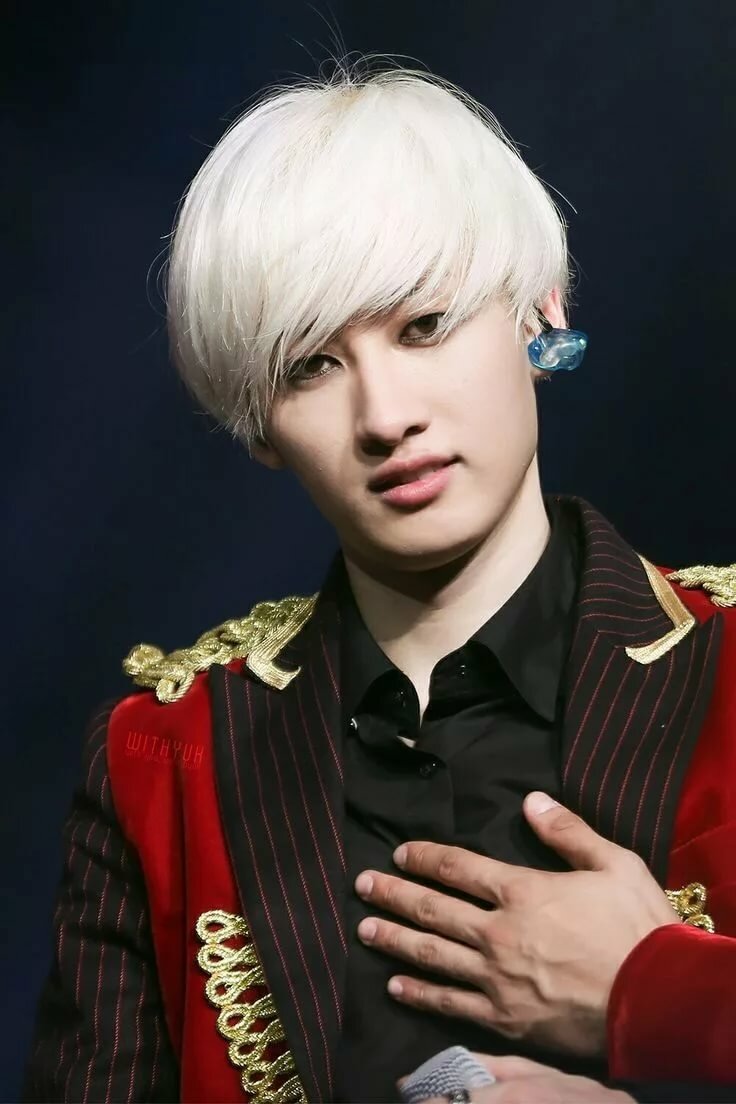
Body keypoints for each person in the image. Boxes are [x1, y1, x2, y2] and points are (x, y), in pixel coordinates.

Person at [22, 60, 736, 1104]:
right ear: (259, 427)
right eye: (310, 365)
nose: (384, 415)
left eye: (423, 326)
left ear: (539, 310)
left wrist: (656, 995)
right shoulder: (161, 756)